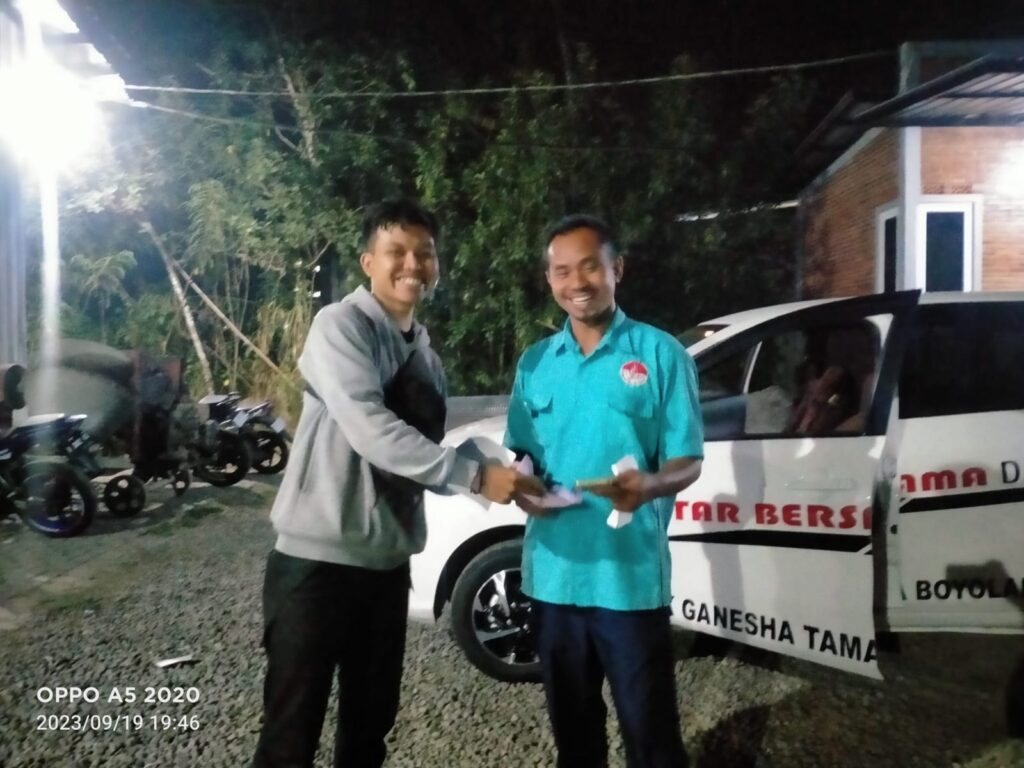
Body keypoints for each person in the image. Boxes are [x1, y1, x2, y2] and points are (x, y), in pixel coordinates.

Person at [252, 198, 543, 768]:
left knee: (369, 731)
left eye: (425, 253)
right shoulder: (340, 326)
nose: (413, 264)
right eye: (397, 251)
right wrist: (475, 476)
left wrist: (511, 475)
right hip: (316, 567)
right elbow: (371, 429)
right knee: (290, 736)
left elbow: (420, 454)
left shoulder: (426, 357)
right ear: (368, 262)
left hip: (386, 570)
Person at [504, 214, 704, 768]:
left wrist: (650, 485)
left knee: (652, 739)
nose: (578, 282)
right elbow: (523, 451)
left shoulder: (662, 354)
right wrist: (523, 485)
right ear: (549, 279)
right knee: (575, 741)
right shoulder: (535, 363)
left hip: (629, 582)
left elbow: (688, 458)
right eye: (562, 271)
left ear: (618, 269)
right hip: (553, 578)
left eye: (590, 266)